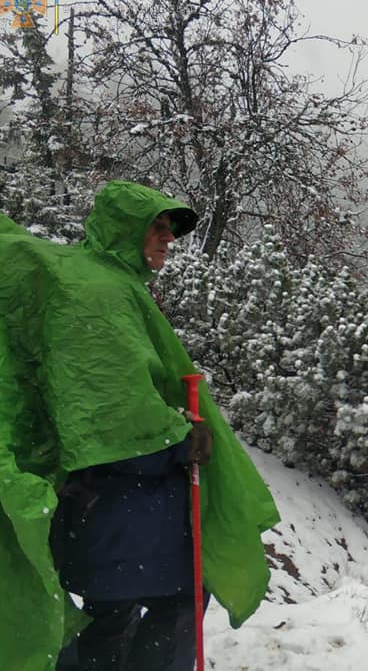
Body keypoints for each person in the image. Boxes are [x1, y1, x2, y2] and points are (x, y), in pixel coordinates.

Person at [0, 181, 280, 671]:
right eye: (155, 227)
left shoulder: (104, 281)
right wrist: (180, 440)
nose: (166, 238)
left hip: (105, 503)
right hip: (124, 499)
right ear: (122, 229)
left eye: (169, 230)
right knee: (171, 604)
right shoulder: (99, 292)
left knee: (111, 617)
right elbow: (111, 410)